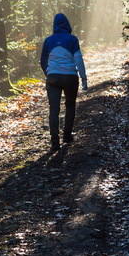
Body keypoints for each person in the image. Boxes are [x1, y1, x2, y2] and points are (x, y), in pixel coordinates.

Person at [40, 13, 88, 152]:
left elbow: (42, 61)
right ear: (67, 24)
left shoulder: (48, 40)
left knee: (54, 109)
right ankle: (67, 136)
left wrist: (48, 73)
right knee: (70, 105)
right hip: (70, 77)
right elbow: (78, 58)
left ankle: (55, 142)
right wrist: (83, 78)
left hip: (53, 77)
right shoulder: (72, 39)